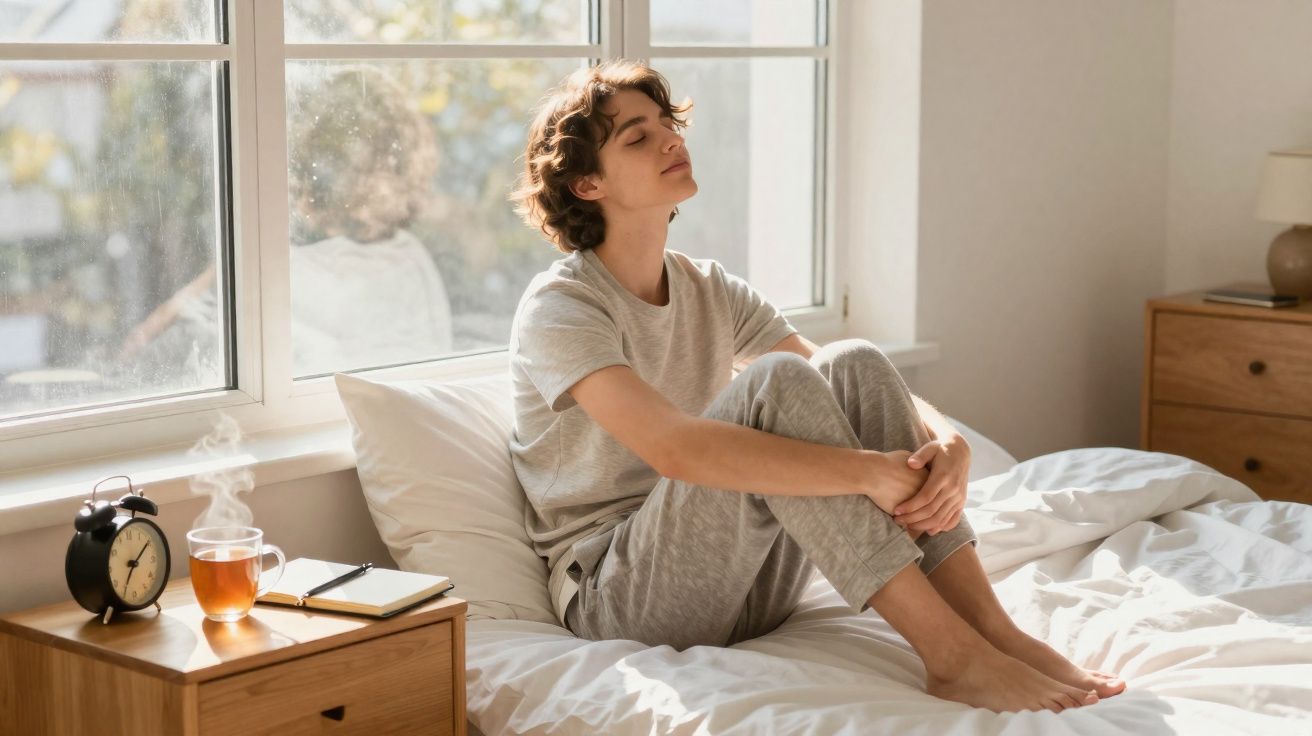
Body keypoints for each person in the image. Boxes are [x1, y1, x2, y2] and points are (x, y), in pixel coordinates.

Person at [506, 59, 1125, 714]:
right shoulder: (562, 307)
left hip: (747, 586)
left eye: (667, 123)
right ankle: (953, 659)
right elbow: (675, 449)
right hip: (621, 596)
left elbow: (835, 374)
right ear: (587, 183)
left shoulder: (707, 287)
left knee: (854, 360)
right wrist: (866, 473)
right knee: (775, 382)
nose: (670, 140)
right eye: (638, 137)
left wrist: (949, 440)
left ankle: (995, 633)